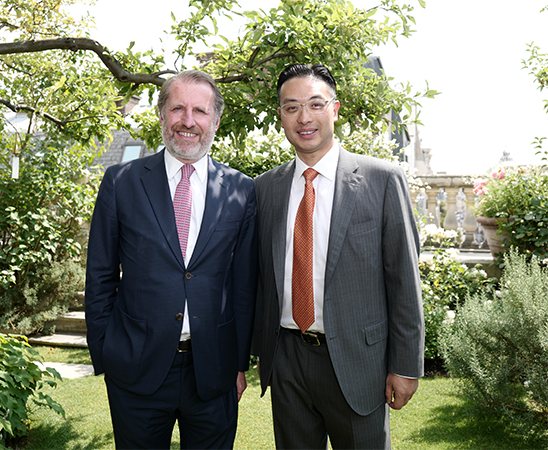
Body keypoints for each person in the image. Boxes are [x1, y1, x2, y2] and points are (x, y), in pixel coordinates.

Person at [252, 63, 424, 449]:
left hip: (357, 361)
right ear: (280, 115)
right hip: (287, 360)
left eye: (315, 104)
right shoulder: (264, 189)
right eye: (292, 107)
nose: (304, 117)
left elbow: (403, 279)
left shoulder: (382, 180)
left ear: (335, 109)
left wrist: (405, 365)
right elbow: (260, 276)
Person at [85, 70, 258, 449]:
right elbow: (100, 275)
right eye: (178, 108)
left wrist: (239, 363)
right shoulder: (121, 182)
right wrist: (105, 353)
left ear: (215, 120)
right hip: (135, 368)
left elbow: (243, 285)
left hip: (213, 370)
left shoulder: (242, 190)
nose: (188, 121)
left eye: (200, 111)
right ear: (162, 115)